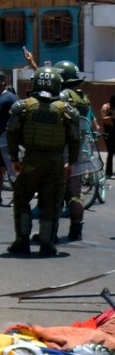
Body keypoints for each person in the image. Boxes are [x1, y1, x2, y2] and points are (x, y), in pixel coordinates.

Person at [6, 68, 80, 256]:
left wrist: (14, 158)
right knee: (51, 202)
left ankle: (22, 241)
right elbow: (75, 139)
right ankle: (47, 244)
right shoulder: (66, 110)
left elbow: (11, 134)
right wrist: (71, 162)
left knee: (22, 199)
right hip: (55, 161)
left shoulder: (23, 107)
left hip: (30, 159)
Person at [55, 60, 98, 242]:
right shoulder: (82, 97)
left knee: (56, 191)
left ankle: (50, 232)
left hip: (62, 147)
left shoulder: (62, 96)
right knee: (76, 193)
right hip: (79, 148)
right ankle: (76, 229)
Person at [0, 76, 18, 205]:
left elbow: (18, 115)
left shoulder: (10, 98)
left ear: (3, 82)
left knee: (12, 170)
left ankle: (18, 196)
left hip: (7, 140)